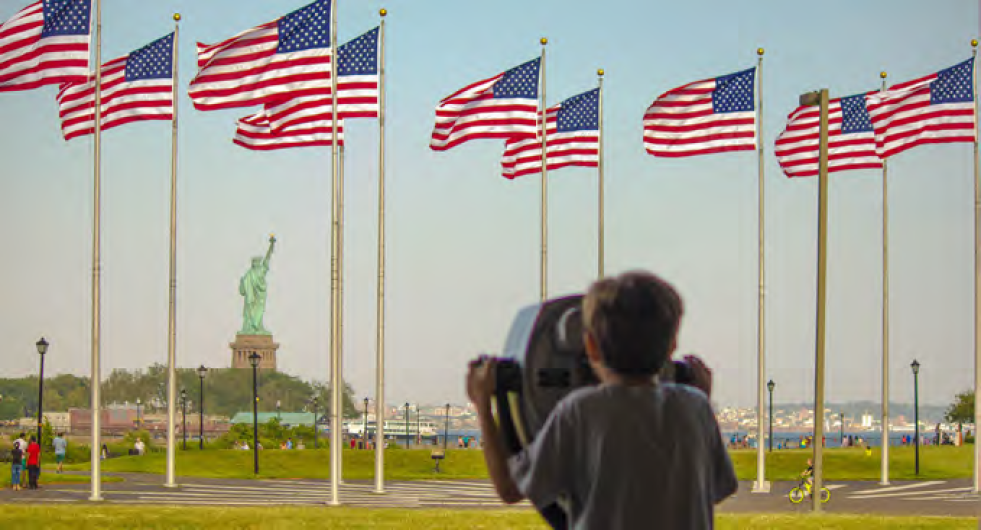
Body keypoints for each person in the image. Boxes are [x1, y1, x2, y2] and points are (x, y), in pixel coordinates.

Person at [467, 271, 737, 529]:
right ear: (671, 347)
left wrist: (484, 404)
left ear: (591, 347)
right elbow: (715, 487)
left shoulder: (581, 412)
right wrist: (701, 397)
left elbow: (509, 488)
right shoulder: (695, 407)